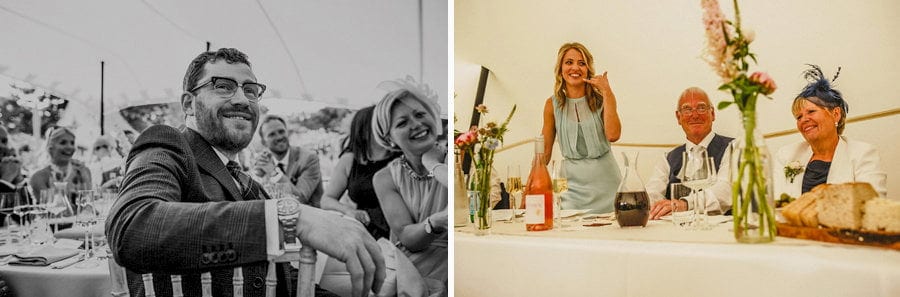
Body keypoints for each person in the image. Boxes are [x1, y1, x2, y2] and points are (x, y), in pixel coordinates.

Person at [105, 48, 384, 297]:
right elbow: (133, 227)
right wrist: (287, 217)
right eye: (223, 86)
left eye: (251, 90)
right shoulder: (168, 145)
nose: (242, 99)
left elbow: (277, 275)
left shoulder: (244, 180)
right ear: (189, 104)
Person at [371, 81, 448, 289]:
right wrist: (434, 222)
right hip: (414, 274)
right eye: (402, 123)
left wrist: (432, 164)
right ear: (389, 138)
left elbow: (468, 193)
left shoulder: (460, 156)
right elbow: (407, 237)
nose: (416, 125)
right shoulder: (384, 178)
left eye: (420, 115)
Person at [774, 65, 886, 198]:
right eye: (799, 117)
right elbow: (776, 203)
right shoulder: (786, 155)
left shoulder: (862, 153)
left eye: (811, 111)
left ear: (836, 114)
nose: (803, 120)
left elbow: (871, 204)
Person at [539, 42, 622, 214]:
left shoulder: (603, 99)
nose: (575, 67)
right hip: (569, 189)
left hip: (607, 184)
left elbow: (613, 135)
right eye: (569, 62)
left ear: (588, 69)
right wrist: (530, 190)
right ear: (561, 68)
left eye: (581, 63)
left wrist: (607, 92)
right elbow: (543, 153)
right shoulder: (551, 105)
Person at [646, 87, 734, 220]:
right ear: (678, 117)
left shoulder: (733, 148)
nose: (694, 115)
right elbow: (653, 191)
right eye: (687, 109)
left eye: (701, 108)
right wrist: (645, 204)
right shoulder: (668, 158)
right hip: (675, 234)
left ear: (713, 114)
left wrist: (685, 204)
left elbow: (725, 190)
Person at [320, 105, 399, 240]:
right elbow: (326, 200)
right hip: (363, 233)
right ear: (364, 130)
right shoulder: (349, 160)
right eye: (380, 123)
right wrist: (349, 211)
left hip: (397, 231)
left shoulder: (401, 158)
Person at [251, 115, 324, 205]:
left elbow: (300, 199)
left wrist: (274, 173)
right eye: (272, 134)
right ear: (263, 142)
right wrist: (258, 174)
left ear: (287, 133)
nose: (279, 137)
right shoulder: (266, 160)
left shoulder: (309, 158)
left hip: (309, 215)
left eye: (281, 131)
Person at [29, 126, 91, 200]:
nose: (69, 147)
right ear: (50, 147)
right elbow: (49, 207)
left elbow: (90, 203)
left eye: (72, 143)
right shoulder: (38, 177)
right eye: (63, 143)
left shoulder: (83, 171)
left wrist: (85, 178)